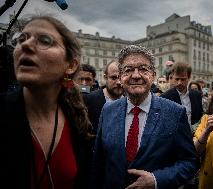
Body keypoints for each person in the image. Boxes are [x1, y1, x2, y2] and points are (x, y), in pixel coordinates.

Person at [0, 16, 94, 188]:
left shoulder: (78, 119)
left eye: (44, 40)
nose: (25, 45)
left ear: (71, 65)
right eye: (21, 39)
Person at [89, 45, 199, 189]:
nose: (136, 75)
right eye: (128, 70)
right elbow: (99, 162)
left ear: (153, 75)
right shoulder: (108, 110)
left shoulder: (175, 113)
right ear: (121, 77)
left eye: (143, 69)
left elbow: (189, 162)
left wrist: (156, 180)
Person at [160, 62, 203, 131]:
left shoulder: (197, 95)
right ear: (173, 77)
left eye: (183, 79)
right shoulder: (165, 97)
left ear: (189, 78)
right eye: (177, 79)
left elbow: (200, 116)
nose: (179, 82)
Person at [85, 60, 124, 134]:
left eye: (121, 78)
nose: (119, 82)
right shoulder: (89, 100)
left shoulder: (130, 102)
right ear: (105, 77)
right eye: (114, 78)